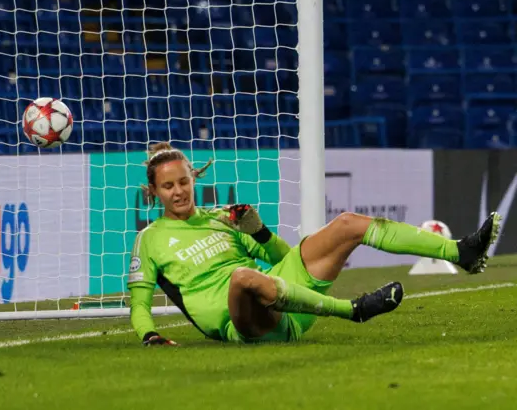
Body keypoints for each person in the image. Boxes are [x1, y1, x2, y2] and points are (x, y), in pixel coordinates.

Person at [127, 143, 501, 346]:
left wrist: (259, 232)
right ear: (154, 191)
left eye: (183, 182)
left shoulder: (224, 218)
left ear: (193, 179)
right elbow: (139, 304)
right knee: (242, 278)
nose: (178, 192)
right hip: (247, 322)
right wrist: (150, 335)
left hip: (286, 295)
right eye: (168, 186)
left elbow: (284, 259)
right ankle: (352, 309)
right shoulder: (151, 239)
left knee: (346, 224)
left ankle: (461, 252)